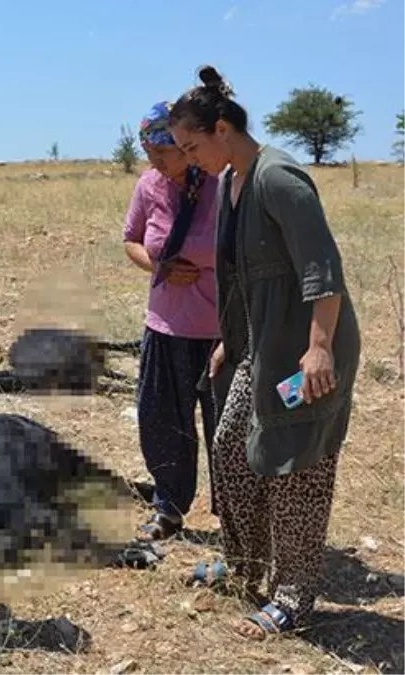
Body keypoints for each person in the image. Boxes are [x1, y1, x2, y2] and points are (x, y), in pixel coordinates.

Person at [167, 65, 361, 640]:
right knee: (231, 448)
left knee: (299, 465)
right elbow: (249, 277)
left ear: (222, 128)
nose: (187, 157)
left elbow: (323, 270)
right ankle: (246, 567)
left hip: (307, 354)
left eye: (191, 145)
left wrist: (320, 349)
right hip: (264, 349)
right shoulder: (231, 182)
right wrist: (234, 340)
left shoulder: (279, 178)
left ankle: (293, 597)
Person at [122, 101, 222, 542]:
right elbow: (132, 241)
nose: (154, 162)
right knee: (162, 422)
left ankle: (237, 519)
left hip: (221, 332)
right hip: (165, 327)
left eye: (162, 152)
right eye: (148, 152)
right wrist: (158, 266)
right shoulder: (149, 186)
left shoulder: (224, 185)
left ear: (186, 146)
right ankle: (168, 508)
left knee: (227, 429)